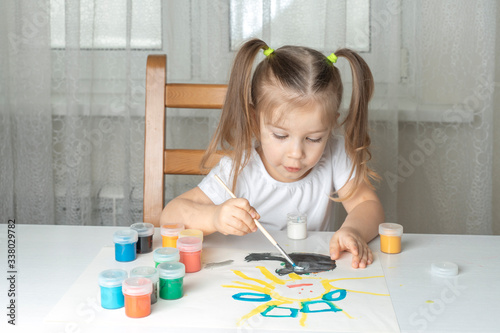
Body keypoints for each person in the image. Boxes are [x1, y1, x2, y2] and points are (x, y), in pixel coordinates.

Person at [160, 38, 384, 269]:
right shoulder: (239, 168)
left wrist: (353, 230)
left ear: (331, 126)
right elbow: (170, 216)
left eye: (313, 138)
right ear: (255, 122)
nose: (296, 153)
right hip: (244, 279)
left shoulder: (335, 153)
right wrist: (214, 217)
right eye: (280, 136)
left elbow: (367, 205)